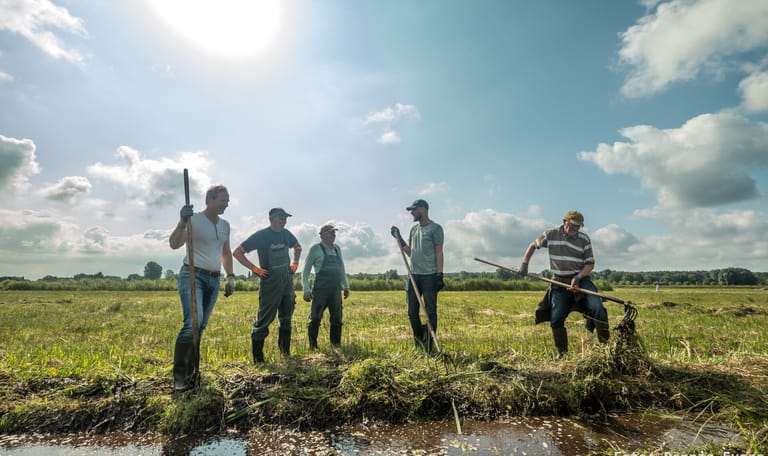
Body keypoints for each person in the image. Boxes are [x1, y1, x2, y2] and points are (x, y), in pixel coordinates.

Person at [169, 184, 235, 392]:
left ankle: (192, 373)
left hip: (214, 279)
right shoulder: (194, 219)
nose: (227, 203)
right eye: (223, 200)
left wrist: (230, 276)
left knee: (202, 326)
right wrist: (182, 222)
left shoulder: (225, 225)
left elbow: (226, 252)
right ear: (210, 200)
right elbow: (174, 244)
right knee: (192, 324)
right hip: (192, 275)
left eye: (228, 200)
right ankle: (179, 377)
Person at [519, 210, 609, 359]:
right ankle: (562, 354)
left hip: (581, 281)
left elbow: (590, 264)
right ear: (564, 222)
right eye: (573, 226)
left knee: (596, 306)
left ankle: (606, 349)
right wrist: (524, 264)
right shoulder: (550, 234)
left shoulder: (584, 239)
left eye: (578, 227)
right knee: (556, 317)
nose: (575, 230)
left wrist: (578, 277)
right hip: (559, 282)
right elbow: (533, 245)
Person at [233, 208, 302, 363]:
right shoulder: (261, 236)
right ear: (272, 218)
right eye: (281, 218)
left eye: (285, 218)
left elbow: (298, 247)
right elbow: (237, 252)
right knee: (264, 320)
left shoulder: (287, 234)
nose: (284, 221)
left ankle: (285, 354)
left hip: (287, 282)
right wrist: (255, 269)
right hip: (270, 283)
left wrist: (295, 262)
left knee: (286, 318)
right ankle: (258, 360)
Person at [390, 199, 444, 351]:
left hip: (430, 276)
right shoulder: (413, 230)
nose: (412, 213)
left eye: (414, 210)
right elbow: (409, 252)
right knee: (411, 312)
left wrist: (439, 275)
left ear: (423, 209)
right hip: (413, 276)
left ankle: (429, 343)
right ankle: (419, 340)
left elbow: (439, 252)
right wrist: (398, 238)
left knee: (430, 311)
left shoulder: (436, 229)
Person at [301, 224, 351, 349]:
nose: (333, 235)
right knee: (315, 318)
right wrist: (306, 289)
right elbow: (305, 271)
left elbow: (341, 269)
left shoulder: (337, 249)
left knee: (337, 319)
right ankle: (313, 347)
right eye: (330, 233)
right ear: (322, 235)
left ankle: (336, 347)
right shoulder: (315, 249)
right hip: (320, 289)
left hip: (335, 289)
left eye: (334, 233)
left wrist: (346, 286)